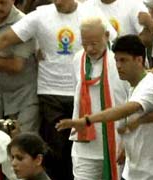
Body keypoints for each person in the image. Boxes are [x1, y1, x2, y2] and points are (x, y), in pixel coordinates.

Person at [0, 1, 117, 179]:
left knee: (86, 150)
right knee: (54, 153)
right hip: (50, 95)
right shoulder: (39, 15)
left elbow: (115, 44)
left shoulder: (91, 15)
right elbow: (5, 39)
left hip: (81, 96)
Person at [56, 34, 153, 180]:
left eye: (124, 60)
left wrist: (86, 120)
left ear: (139, 60)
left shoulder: (150, 87)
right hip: (133, 173)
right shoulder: (134, 86)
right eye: (116, 60)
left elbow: (125, 110)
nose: (118, 66)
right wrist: (124, 145)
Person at [66, 17, 126, 180]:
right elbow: (76, 95)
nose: (89, 49)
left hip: (114, 144)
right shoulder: (78, 58)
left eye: (94, 43)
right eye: (85, 44)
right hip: (84, 146)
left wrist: (126, 143)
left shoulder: (119, 61)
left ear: (106, 36)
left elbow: (129, 103)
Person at [0, 0, 39, 132]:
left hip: (26, 96)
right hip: (4, 97)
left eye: (3, 3)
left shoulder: (23, 24)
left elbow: (17, 66)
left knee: (23, 142)